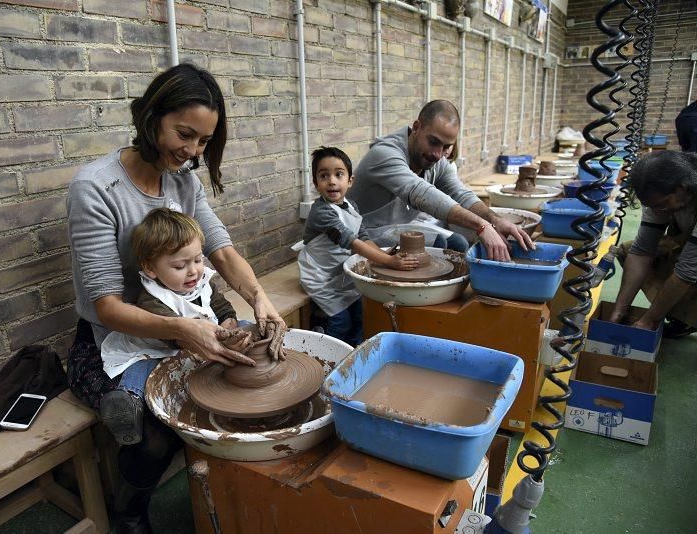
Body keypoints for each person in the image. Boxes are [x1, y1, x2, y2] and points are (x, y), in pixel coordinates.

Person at [66, 63, 286, 533]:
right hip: (111, 341)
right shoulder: (96, 188)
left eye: (203, 142)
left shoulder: (184, 181)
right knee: (158, 434)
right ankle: (128, 513)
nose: (191, 153)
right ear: (150, 117)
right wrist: (183, 331)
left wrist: (259, 298)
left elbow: (221, 251)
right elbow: (105, 304)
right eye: (184, 134)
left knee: (247, 369)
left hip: (187, 319)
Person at [99, 208, 252, 445]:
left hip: (203, 335)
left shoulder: (200, 281)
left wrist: (228, 321)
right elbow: (177, 338)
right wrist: (217, 336)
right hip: (158, 344)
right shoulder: (152, 298)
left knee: (246, 327)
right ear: (151, 268)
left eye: (198, 260)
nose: (193, 271)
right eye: (180, 266)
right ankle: (128, 401)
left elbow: (219, 303)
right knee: (143, 368)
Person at [347, 100, 534, 261]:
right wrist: (482, 226)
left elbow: (460, 193)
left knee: (456, 243)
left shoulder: (435, 160)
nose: (438, 154)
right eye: (434, 142)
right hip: (358, 235)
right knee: (445, 244)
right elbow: (420, 193)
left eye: (446, 146)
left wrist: (495, 220)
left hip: (391, 229)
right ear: (417, 127)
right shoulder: (385, 154)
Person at [298, 146, 418, 346]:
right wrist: (389, 261)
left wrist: (383, 255)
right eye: (324, 175)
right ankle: (327, 359)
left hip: (340, 273)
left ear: (350, 180)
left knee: (359, 316)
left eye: (339, 174)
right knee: (342, 322)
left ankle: (353, 354)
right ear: (316, 184)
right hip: (319, 277)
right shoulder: (321, 213)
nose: (332, 181)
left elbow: (363, 237)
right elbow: (353, 244)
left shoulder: (352, 206)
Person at [608, 151, 697, 338]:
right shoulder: (659, 196)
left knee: (686, 269)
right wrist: (619, 310)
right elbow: (642, 251)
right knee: (629, 250)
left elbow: (687, 272)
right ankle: (682, 318)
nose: (658, 211)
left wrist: (649, 320)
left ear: (682, 187)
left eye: (663, 205)